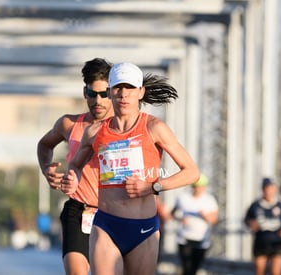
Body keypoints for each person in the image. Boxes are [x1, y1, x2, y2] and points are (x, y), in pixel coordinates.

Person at [61, 62, 200, 275]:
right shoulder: (94, 132)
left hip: (142, 229)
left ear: (140, 92)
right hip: (106, 225)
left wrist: (153, 187)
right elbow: (76, 165)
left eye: (130, 88)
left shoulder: (154, 128)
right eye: (118, 88)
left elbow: (192, 172)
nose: (124, 94)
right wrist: (72, 177)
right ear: (109, 92)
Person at [37, 57, 113, 275]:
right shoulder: (69, 124)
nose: (97, 101)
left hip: (112, 213)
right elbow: (44, 144)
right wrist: (46, 169)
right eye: (92, 94)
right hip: (78, 211)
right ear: (84, 93)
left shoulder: (123, 127)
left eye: (104, 94)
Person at [171, 174, 219, 275]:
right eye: (196, 186)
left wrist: (205, 216)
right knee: (187, 268)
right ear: (192, 186)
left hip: (201, 240)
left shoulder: (210, 200)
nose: (199, 189)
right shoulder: (183, 198)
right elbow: (172, 214)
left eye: (201, 186)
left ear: (205, 187)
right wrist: (180, 218)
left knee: (194, 269)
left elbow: (214, 220)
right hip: (184, 238)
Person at [244, 177, 281, 275]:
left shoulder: (280, 206)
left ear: (275, 189)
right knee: (259, 269)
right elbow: (247, 219)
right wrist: (251, 223)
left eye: (271, 188)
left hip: (276, 243)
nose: (269, 191)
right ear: (263, 189)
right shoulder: (256, 205)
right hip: (261, 242)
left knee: (276, 272)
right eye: (266, 188)